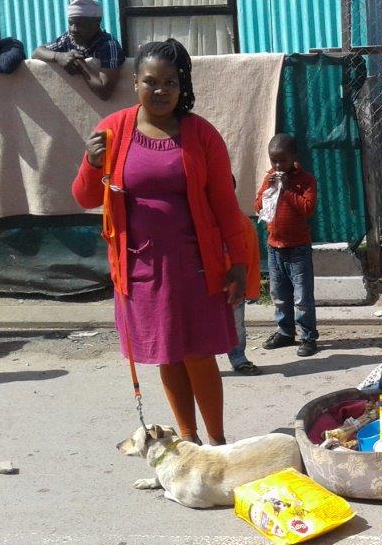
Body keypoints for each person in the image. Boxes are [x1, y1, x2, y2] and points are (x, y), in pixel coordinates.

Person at [72, 39, 248, 446]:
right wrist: (91, 162)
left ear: (182, 85)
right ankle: (188, 439)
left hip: (195, 263)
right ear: (135, 83)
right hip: (140, 267)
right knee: (167, 354)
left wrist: (237, 261)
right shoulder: (114, 130)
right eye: (150, 81)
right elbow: (84, 196)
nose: (160, 90)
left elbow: (224, 203)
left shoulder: (201, 134)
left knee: (199, 353)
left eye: (170, 81)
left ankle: (218, 444)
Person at [255, 133, 320, 358]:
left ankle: (308, 336)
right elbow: (258, 207)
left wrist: (287, 190)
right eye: (274, 160)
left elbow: (308, 208)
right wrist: (268, 191)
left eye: (282, 160)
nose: (278, 165)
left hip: (298, 248)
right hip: (275, 247)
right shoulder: (270, 178)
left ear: (294, 158)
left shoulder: (305, 180)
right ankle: (285, 331)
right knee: (279, 294)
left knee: (302, 297)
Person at [32, 0, 125, 100]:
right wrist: (58, 56)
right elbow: (37, 52)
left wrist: (80, 64)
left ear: (96, 23)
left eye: (80, 25)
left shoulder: (109, 45)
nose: (73, 29)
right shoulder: (69, 38)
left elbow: (104, 92)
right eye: (70, 23)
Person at [227, 209, 262, 375]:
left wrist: (241, 283)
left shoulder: (240, 222)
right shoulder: (200, 218)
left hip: (232, 282)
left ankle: (238, 358)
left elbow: (249, 255)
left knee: (236, 325)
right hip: (205, 280)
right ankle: (200, 362)